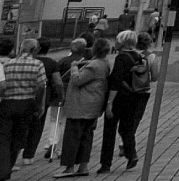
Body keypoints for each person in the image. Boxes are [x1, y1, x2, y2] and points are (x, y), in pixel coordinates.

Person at [96, 32, 154, 174]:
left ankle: (105, 164)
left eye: (117, 39)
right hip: (134, 97)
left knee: (109, 130)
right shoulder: (139, 56)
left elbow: (116, 82)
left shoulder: (121, 58)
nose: (115, 42)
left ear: (123, 42)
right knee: (126, 128)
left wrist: (109, 103)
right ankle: (131, 154)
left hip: (120, 98)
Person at [55, 39, 107, 177]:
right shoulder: (104, 64)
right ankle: (83, 166)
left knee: (72, 137)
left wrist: (73, 67)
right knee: (86, 137)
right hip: (93, 106)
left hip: (80, 106)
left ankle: (69, 167)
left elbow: (77, 80)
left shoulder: (93, 66)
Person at [0, 38, 47, 181]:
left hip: (7, 104)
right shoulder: (37, 64)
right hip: (27, 104)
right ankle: (8, 167)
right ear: (35, 50)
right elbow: (40, 86)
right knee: (19, 138)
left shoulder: (8, 64)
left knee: (4, 138)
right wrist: (39, 105)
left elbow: (3, 84)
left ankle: (3, 168)